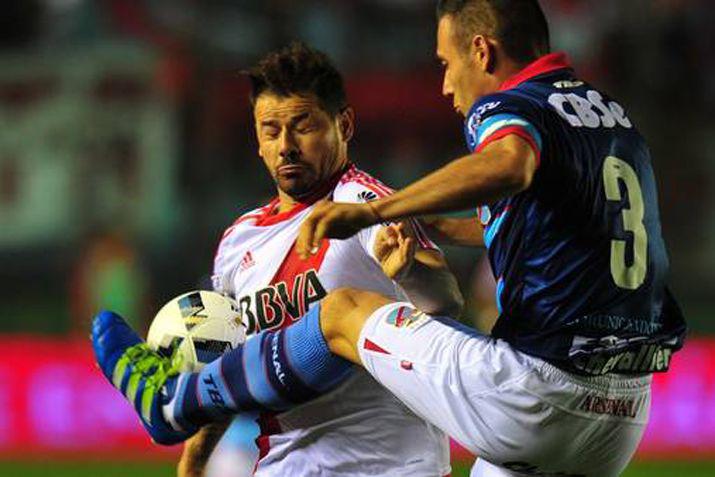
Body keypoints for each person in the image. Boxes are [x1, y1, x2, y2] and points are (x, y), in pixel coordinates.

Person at [91, 1, 686, 475]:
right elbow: (558, 220)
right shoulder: (604, 113)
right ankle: (184, 404)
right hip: (620, 409)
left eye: (446, 63)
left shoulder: (503, 113)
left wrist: (385, 216)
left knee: (340, 313)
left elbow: (508, 170)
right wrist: (195, 462)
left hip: (487, 415)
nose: (447, 85)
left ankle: (175, 400)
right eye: (270, 130)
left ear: (481, 49)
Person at [177, 42, 463, 477]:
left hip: (389, 467)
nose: (286, 146)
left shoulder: (364, 203)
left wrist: (408, 270)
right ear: (257, 141)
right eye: (270, 130)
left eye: (302, 126)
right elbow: (231, 365)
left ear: (343, 124)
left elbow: (446, 299)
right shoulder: (237, 242)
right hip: (285, 465)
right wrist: (195, 458)